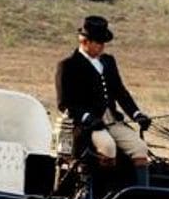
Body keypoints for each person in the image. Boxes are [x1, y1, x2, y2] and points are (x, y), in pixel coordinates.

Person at [54, 14, 155, 186]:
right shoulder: (68, 65)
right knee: (108, 147)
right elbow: (65, 103)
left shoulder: (108, 62)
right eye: (98, 43)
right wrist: (87, 118)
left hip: (113, 121)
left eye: (103, 43)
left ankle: (140, 194)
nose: (101, 47)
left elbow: (120, 92)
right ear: (85, 41)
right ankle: (105, 191)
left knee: (139, 147)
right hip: (88, 125)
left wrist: (136, 114)